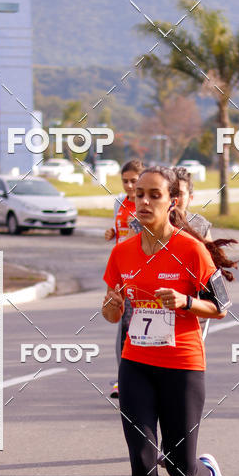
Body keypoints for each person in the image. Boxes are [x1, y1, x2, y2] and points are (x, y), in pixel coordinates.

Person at [102, 166, 238, 476]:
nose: (143, 201)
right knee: (142, 458)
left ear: (171, 202)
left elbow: (222, 306)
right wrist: (111, 305)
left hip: (182, 366)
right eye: (138, 194)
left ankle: (206, 475)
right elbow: (111, 313)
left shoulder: (190, 250)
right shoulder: (122, 253)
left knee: (179, 469)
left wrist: (184, 302)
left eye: (154, 195)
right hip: (136, 365)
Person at [104, 159, 143, 397]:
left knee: (133, 326)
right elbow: (120, 231)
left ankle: (136, 378)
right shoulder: (119, 202)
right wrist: (112, 233)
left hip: (140, 271)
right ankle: (123, 379)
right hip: (120, 270)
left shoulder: (146, 204)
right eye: (125, 181)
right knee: (123, 326)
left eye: (134, 181)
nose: (129, 186)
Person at [173, 166, 213, 240]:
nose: (175, 198)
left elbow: (209, 247)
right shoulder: (155, 223)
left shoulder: (200, 225)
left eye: (180, 194)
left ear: (190, 198)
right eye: (171, 192)